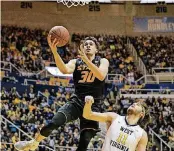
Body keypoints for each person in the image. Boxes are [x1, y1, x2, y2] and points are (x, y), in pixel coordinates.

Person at [14, 36, 109, 151]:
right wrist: (55, 52)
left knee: (83, 145)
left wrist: (87, 61)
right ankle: (34, 143)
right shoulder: (76, 62)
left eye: (90, 44)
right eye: (85, 45)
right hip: (77, 101)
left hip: (94, 105)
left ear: (96, 50)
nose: (87, 46)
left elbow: (101, 76)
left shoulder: (103, 61)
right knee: (53, 123)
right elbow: (64, 70)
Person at [83, 96, 151, 151]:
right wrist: (88, 103)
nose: (134, 104)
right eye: (134, 103)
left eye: (138, 105)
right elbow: (88, 115)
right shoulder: (114, 117)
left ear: (142, 114)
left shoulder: (142, 134)